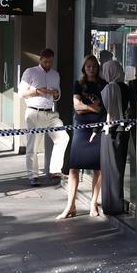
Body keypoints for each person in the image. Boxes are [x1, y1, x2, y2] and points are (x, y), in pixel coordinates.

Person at [57, 54, 106, 220]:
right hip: (80, 128)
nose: (91, 69)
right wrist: (92, 107)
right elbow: (76, 106)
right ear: (84, 68)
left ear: (97, 67)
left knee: (97, 168)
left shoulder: (103, 85)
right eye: (88, 66)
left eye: (93, 66)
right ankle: (70, 205)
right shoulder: (78, 84)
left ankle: (93, 203)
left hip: (97, 128)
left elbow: (102, 110)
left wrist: (87, 108)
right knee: (73, 168)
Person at [19, 48, 69, 188]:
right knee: (33, 145)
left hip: (50, 112)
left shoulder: (55, 74)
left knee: (63, 137)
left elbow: (58, 95)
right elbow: (22, 93)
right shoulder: (30, 72)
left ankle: (54, 170)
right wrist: (37, 91)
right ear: (40, 59)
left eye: (50, 62)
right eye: (45, 61)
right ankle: (33, 176)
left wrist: (55, 93)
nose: (48, 64)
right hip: (34, 112)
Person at [100, 59, 131, 216]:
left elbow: (107, 110)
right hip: (124, 131)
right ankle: (117, 202)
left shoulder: (110, 87)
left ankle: (111, 204)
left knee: (110, 168)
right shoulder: (126, 87)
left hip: (111, 132)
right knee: (119, 168)